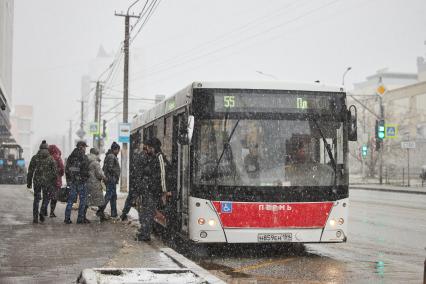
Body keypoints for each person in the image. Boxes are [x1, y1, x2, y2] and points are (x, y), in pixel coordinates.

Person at [136, 137, 169, 241]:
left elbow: (163, 176)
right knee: (146, 212)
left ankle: (145, 235)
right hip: (150, 190)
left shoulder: (159, 158)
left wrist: (164, 192)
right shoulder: (153, 157)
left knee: (148, 213)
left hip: (154, 191)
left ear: (153, 148)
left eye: (149, 148)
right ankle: (144, 232)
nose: (148, 150)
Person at [27, 140, 58, 223]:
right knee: (46, 198)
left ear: (39, 148)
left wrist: (29, 182)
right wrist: (54, 181)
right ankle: (42, 211)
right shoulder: (51, 158)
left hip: (37, 181)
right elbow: (55, 172)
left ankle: (35, 217)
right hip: (47, 182)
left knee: (36, 199)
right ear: (47, 149)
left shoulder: (35, 157)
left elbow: (30, 171)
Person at [120, 143, 148, 221]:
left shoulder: (139, 156)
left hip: (135, 182)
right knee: (143, 201)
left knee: (130, 198)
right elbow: (143, 170)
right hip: (140, 182)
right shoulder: (145, 157)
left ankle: (124, 214)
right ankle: (142, 219)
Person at [64, 141, 90, 224]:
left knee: (70, 201)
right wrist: (85, 178)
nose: (85, 149)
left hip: (72, 182)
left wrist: (69, 180)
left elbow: (67, 170)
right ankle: (80, 219)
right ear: (81, 147)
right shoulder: (84, 157)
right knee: (82, 200)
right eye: (85, 147)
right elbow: (86, 170)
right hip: (81, 182)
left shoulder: (71, 157)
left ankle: (67, 218)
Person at [97, 142, 121, 219]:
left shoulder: (111, 155)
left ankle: (114, 214)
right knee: (109, 196)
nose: (119, 151)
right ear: (115, 149)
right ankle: (100, 210)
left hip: (111, 179)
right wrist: (115, 174)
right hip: (111, 180)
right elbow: (110, 168)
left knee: (113, 197)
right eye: (118, 150)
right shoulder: (111, 156)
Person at [41, 144, 65, 218]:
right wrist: (60, 174)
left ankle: (43, 211)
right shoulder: (57, 157)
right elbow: (62, 168)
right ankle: (51, 212)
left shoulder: (45, 157)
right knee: (54, 197)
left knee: (46, 196)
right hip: (55, 180)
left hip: (46, 179)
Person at [85, 148, 106, 222]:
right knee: (101, 201)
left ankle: (82, 216)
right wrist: (104, 177)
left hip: (87, 183)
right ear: (96, 154)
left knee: (86, 201)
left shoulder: (86, 160)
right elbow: (99, 174)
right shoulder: (95, 162)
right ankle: (101, 215)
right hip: (95, 184)